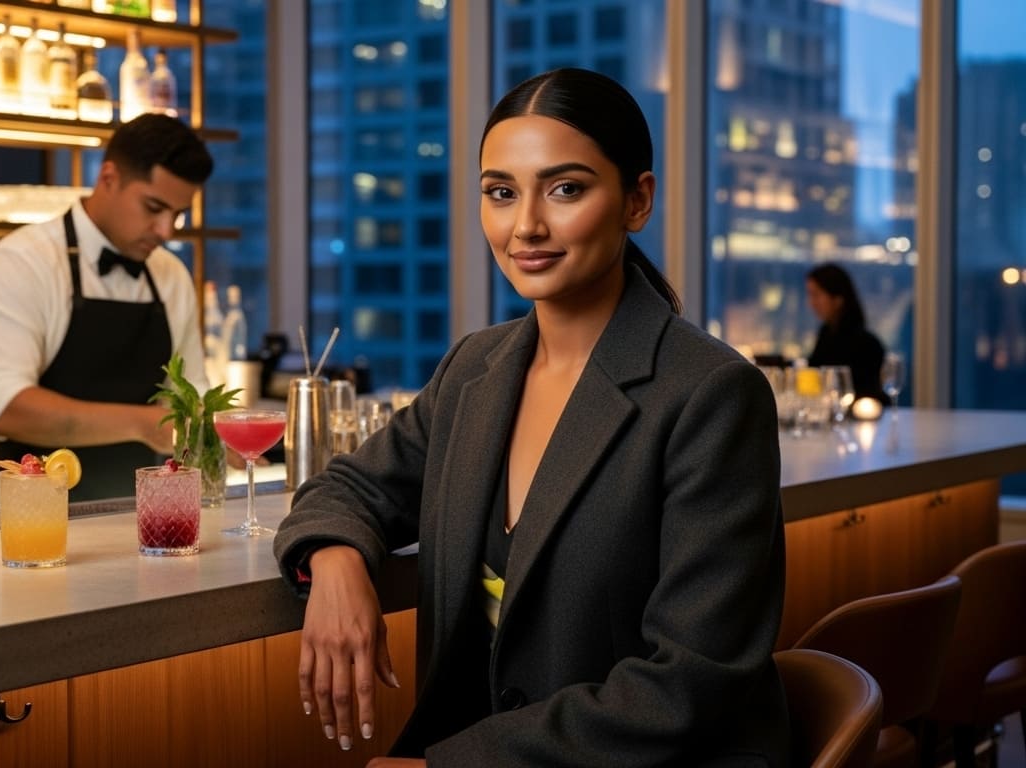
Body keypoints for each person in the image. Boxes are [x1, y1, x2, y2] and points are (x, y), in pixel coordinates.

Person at [273, 68, 789, 766]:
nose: (527, 226)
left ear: (638, 201)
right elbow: (348, 488)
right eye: (500, 193)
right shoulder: (474, 370)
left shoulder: (710, 392)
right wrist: (335, 566)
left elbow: (689, 685)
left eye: (566, 188)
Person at [0, 114, 214, 506]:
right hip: (28, 516)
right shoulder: (20, 262)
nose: (167, 231)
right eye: (154, 207)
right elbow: (3, 408)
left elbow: (190, 393)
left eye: (178, 215)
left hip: (134, 514)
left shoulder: (170, 276)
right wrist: (144, 424)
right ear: (109, 177)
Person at [805, 263, 889, 404]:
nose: (811, 303)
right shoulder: (826, 333)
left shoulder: (866, 344)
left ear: (838, 299)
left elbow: (867, 394)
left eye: (816, 295)